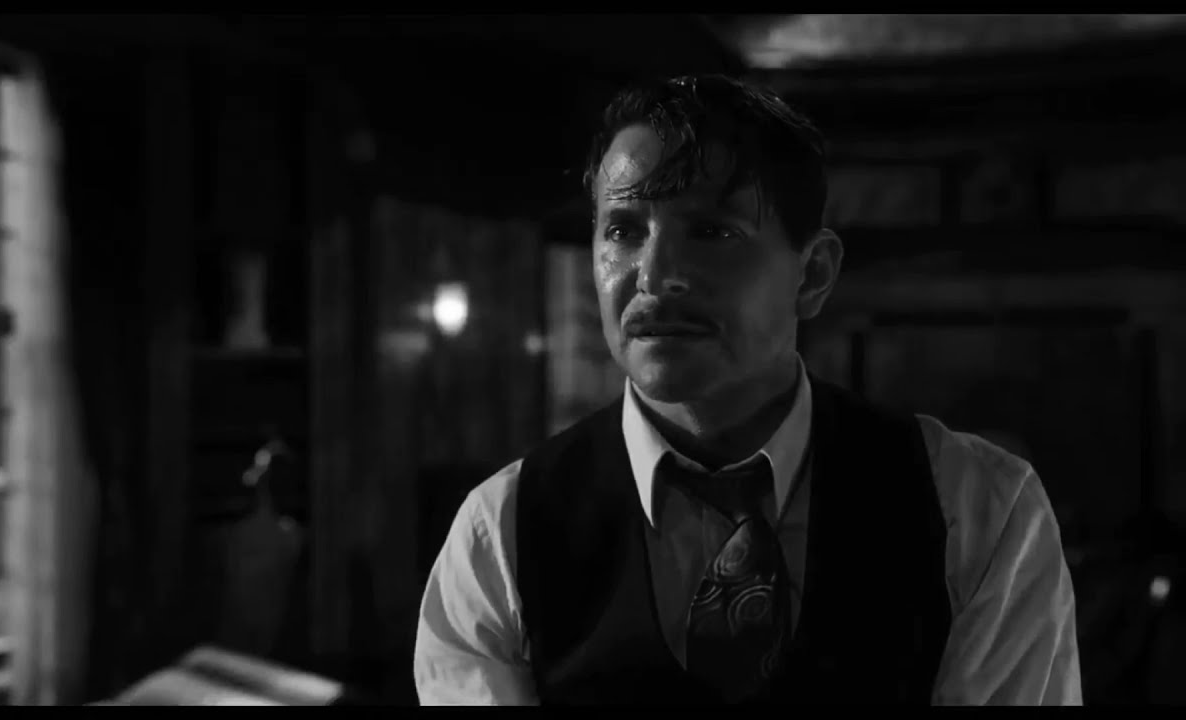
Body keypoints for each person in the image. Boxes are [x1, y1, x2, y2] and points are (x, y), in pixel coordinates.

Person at [413, 74, 1082, 706]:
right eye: (623, 230)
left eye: (711, 231)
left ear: (813, 274)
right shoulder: (503, 532)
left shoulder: (974, 507)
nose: (655, 276)